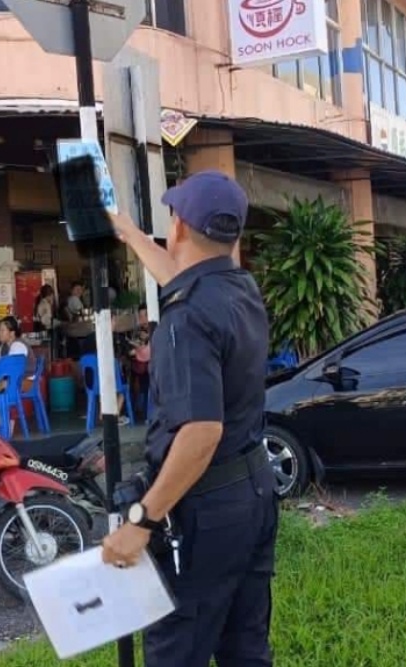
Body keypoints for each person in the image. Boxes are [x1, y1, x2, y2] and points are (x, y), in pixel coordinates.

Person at [100, 170, 277, 667]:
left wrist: (144, 519)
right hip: (253, 492)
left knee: (178, 648)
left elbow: (200, 432)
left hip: (207, 511)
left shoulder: (185, 317)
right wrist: (131, 234)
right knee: (245, 647)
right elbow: (179, 279)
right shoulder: (238, 288)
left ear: (177, 227)